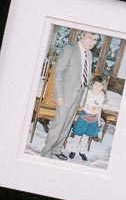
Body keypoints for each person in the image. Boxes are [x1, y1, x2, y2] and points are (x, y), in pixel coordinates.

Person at [41, 30, 97, 160]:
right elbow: (59, 73)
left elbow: (85, 76)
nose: (92, 42)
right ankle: (45, 152)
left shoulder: (89, 54)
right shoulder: (69, 49)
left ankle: (56, 149)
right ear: (82, 36)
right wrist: (59, 95)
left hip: (78, 95)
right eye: (90, 38)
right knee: (59, 124)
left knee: (67, 124)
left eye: (94, 40)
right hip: (65, 94)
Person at [65, 76, 108, 162]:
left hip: (94, 118)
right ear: (93, 84)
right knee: (78, 134)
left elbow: (99, 109)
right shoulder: (87, 93)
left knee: (87, 136)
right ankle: (73, 150)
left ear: (103, 87)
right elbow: (81, 104)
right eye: (96, 84)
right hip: (84, 116)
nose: (97, 87)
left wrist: (98, 121)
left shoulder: (102, 96)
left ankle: (82, 151)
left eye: (100, 85)